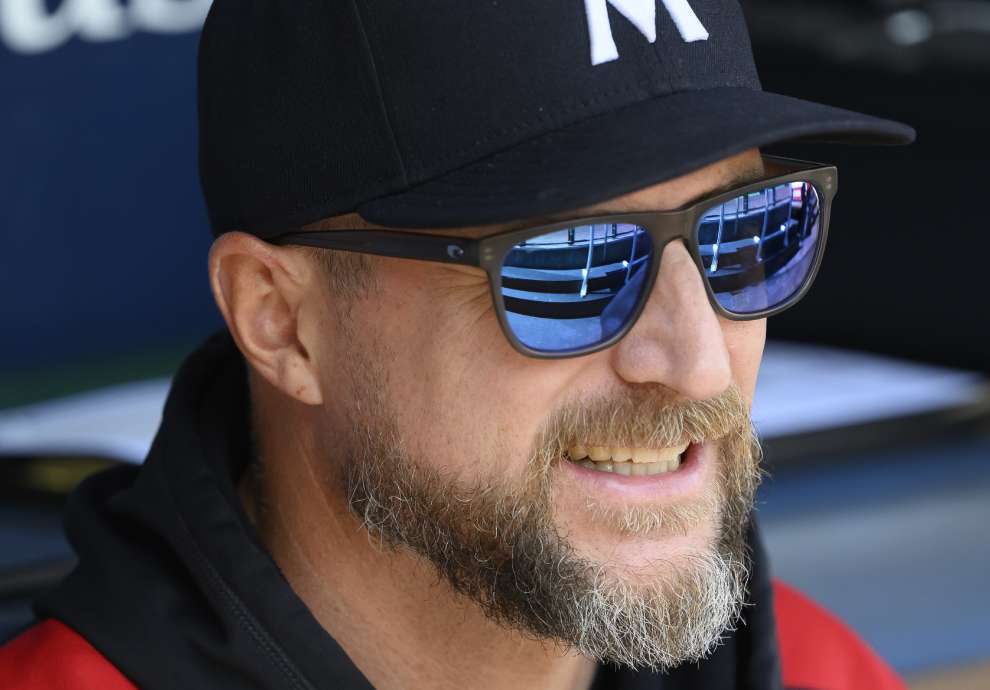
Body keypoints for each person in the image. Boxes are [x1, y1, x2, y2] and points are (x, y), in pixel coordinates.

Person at [0, 1, 914, 688]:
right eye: (572, 264)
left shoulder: (822, 669)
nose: (697, 363)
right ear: (281, 322)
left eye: (747, 232)